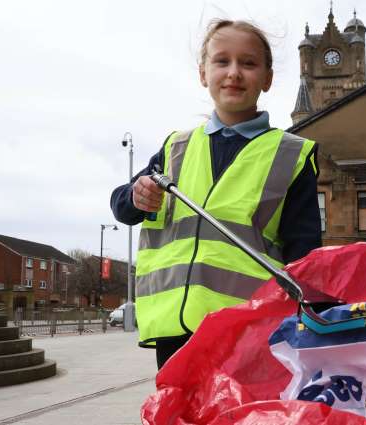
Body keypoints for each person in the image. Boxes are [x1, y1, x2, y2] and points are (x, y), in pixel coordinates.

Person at [110, 19, 322, 369]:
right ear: (203, 73)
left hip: (250, 333)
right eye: (222, 61)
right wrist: (135, 196)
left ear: (267, 78)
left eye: (248, 63)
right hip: (173, 332)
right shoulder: (175, 148)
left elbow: (305, 255)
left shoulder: (292, 155)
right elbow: (122, 206)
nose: (234, 73)